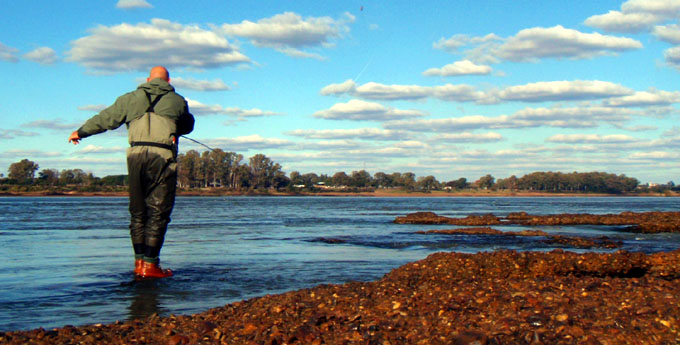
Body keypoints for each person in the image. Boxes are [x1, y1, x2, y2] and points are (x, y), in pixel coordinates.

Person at [69, 66, 195, 278]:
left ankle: (138, 263)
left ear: (147, 80)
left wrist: (80, 132)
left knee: (138, 211)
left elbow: (106, 119)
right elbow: (188, 125)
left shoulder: (129, 99)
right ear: (168, 80)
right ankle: (151, 265)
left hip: (135, 155)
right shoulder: (177, 100)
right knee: (158, 211)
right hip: (162, 155)